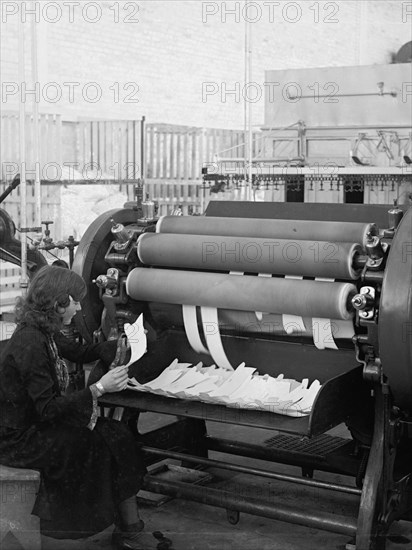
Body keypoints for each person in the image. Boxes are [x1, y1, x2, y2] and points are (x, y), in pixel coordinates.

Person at [0, 265, 166, 550]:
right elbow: (48, 409)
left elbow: (77, 352)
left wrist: (111, 347)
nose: (78, 308)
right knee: (87, 446)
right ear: (58, 303)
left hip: (37, 425)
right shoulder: (30, 342)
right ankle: (64, 535)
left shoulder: (44, 330)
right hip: (17, 439)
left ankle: (129, 529)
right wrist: (100, 388)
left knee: (117, 434)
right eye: (74, 301)